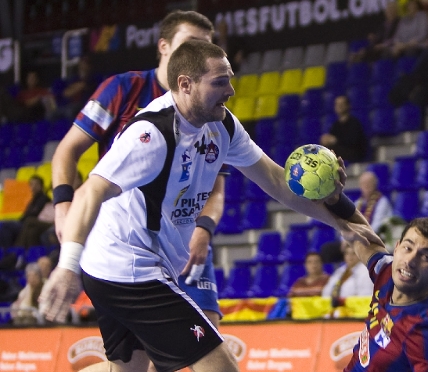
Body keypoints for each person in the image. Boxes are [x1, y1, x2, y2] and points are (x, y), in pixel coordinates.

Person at [40, 40, 375, 371]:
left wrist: (341, 223)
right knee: (220, 365)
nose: (231, 90)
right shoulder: (152, 134)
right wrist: (67, 266)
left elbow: (276, 182)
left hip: (116, 266)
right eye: (219, 82)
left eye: (229, 78)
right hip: (128, 266)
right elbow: (88, 194)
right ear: (185, 85)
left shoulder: (222, 125)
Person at [50, 10, 225, 332]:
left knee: (208, 336)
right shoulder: (122, 88)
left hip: (186, 238)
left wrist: (204, 230)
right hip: (128, 241)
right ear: (164, 47)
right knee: (140, 361)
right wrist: (63, 205)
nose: (200, 54)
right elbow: (67, 150)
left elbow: (216, 188)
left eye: (208, 46)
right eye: (191, 44)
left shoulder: (211, 106)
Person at [324, 192, 428, 370]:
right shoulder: (387, 272)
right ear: (396, 248)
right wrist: (334, 198)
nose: (410, 261)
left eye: (425, 256)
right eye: (407, 247)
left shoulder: (426, 330)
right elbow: (355, 229)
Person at [320, 171, 393, 263]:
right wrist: (345, 240)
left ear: (375, 185)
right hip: (353, 238)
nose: (366, 186)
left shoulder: (382, 202)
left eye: (369, 183)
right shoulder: (358, 203)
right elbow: (346, 222)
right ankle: (341, 274)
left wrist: (356, 237)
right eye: (363, 184)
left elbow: (376, 227)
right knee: (327, 250)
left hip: (373, 240)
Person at [0, 175, 50, 250]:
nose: (33, 187)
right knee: (3, 225)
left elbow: (35, 214)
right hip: (24, 222)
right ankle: (5, 251)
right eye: (32, 184)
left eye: (36, 184)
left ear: (41, 186)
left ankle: (8, 250)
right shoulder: (32, 200)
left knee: (6, 225)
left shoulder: (44, 199)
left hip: (32, 223)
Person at [322, 240, 374, 311]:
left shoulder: (365, 272)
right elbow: (326, 292)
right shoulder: (339, 272)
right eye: (347, 254)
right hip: (336, 310)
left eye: (353, 254)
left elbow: (365, 298)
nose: (350, 257)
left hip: (354, 311)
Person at [319, 95, 368, 163]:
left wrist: (335, 140)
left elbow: (353, 142)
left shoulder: (355, 123)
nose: (339, 106)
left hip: (353, 154)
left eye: (342, 104)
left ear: (348, 106)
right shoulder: (335, 125)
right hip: (339, 152)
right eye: (337, 104)